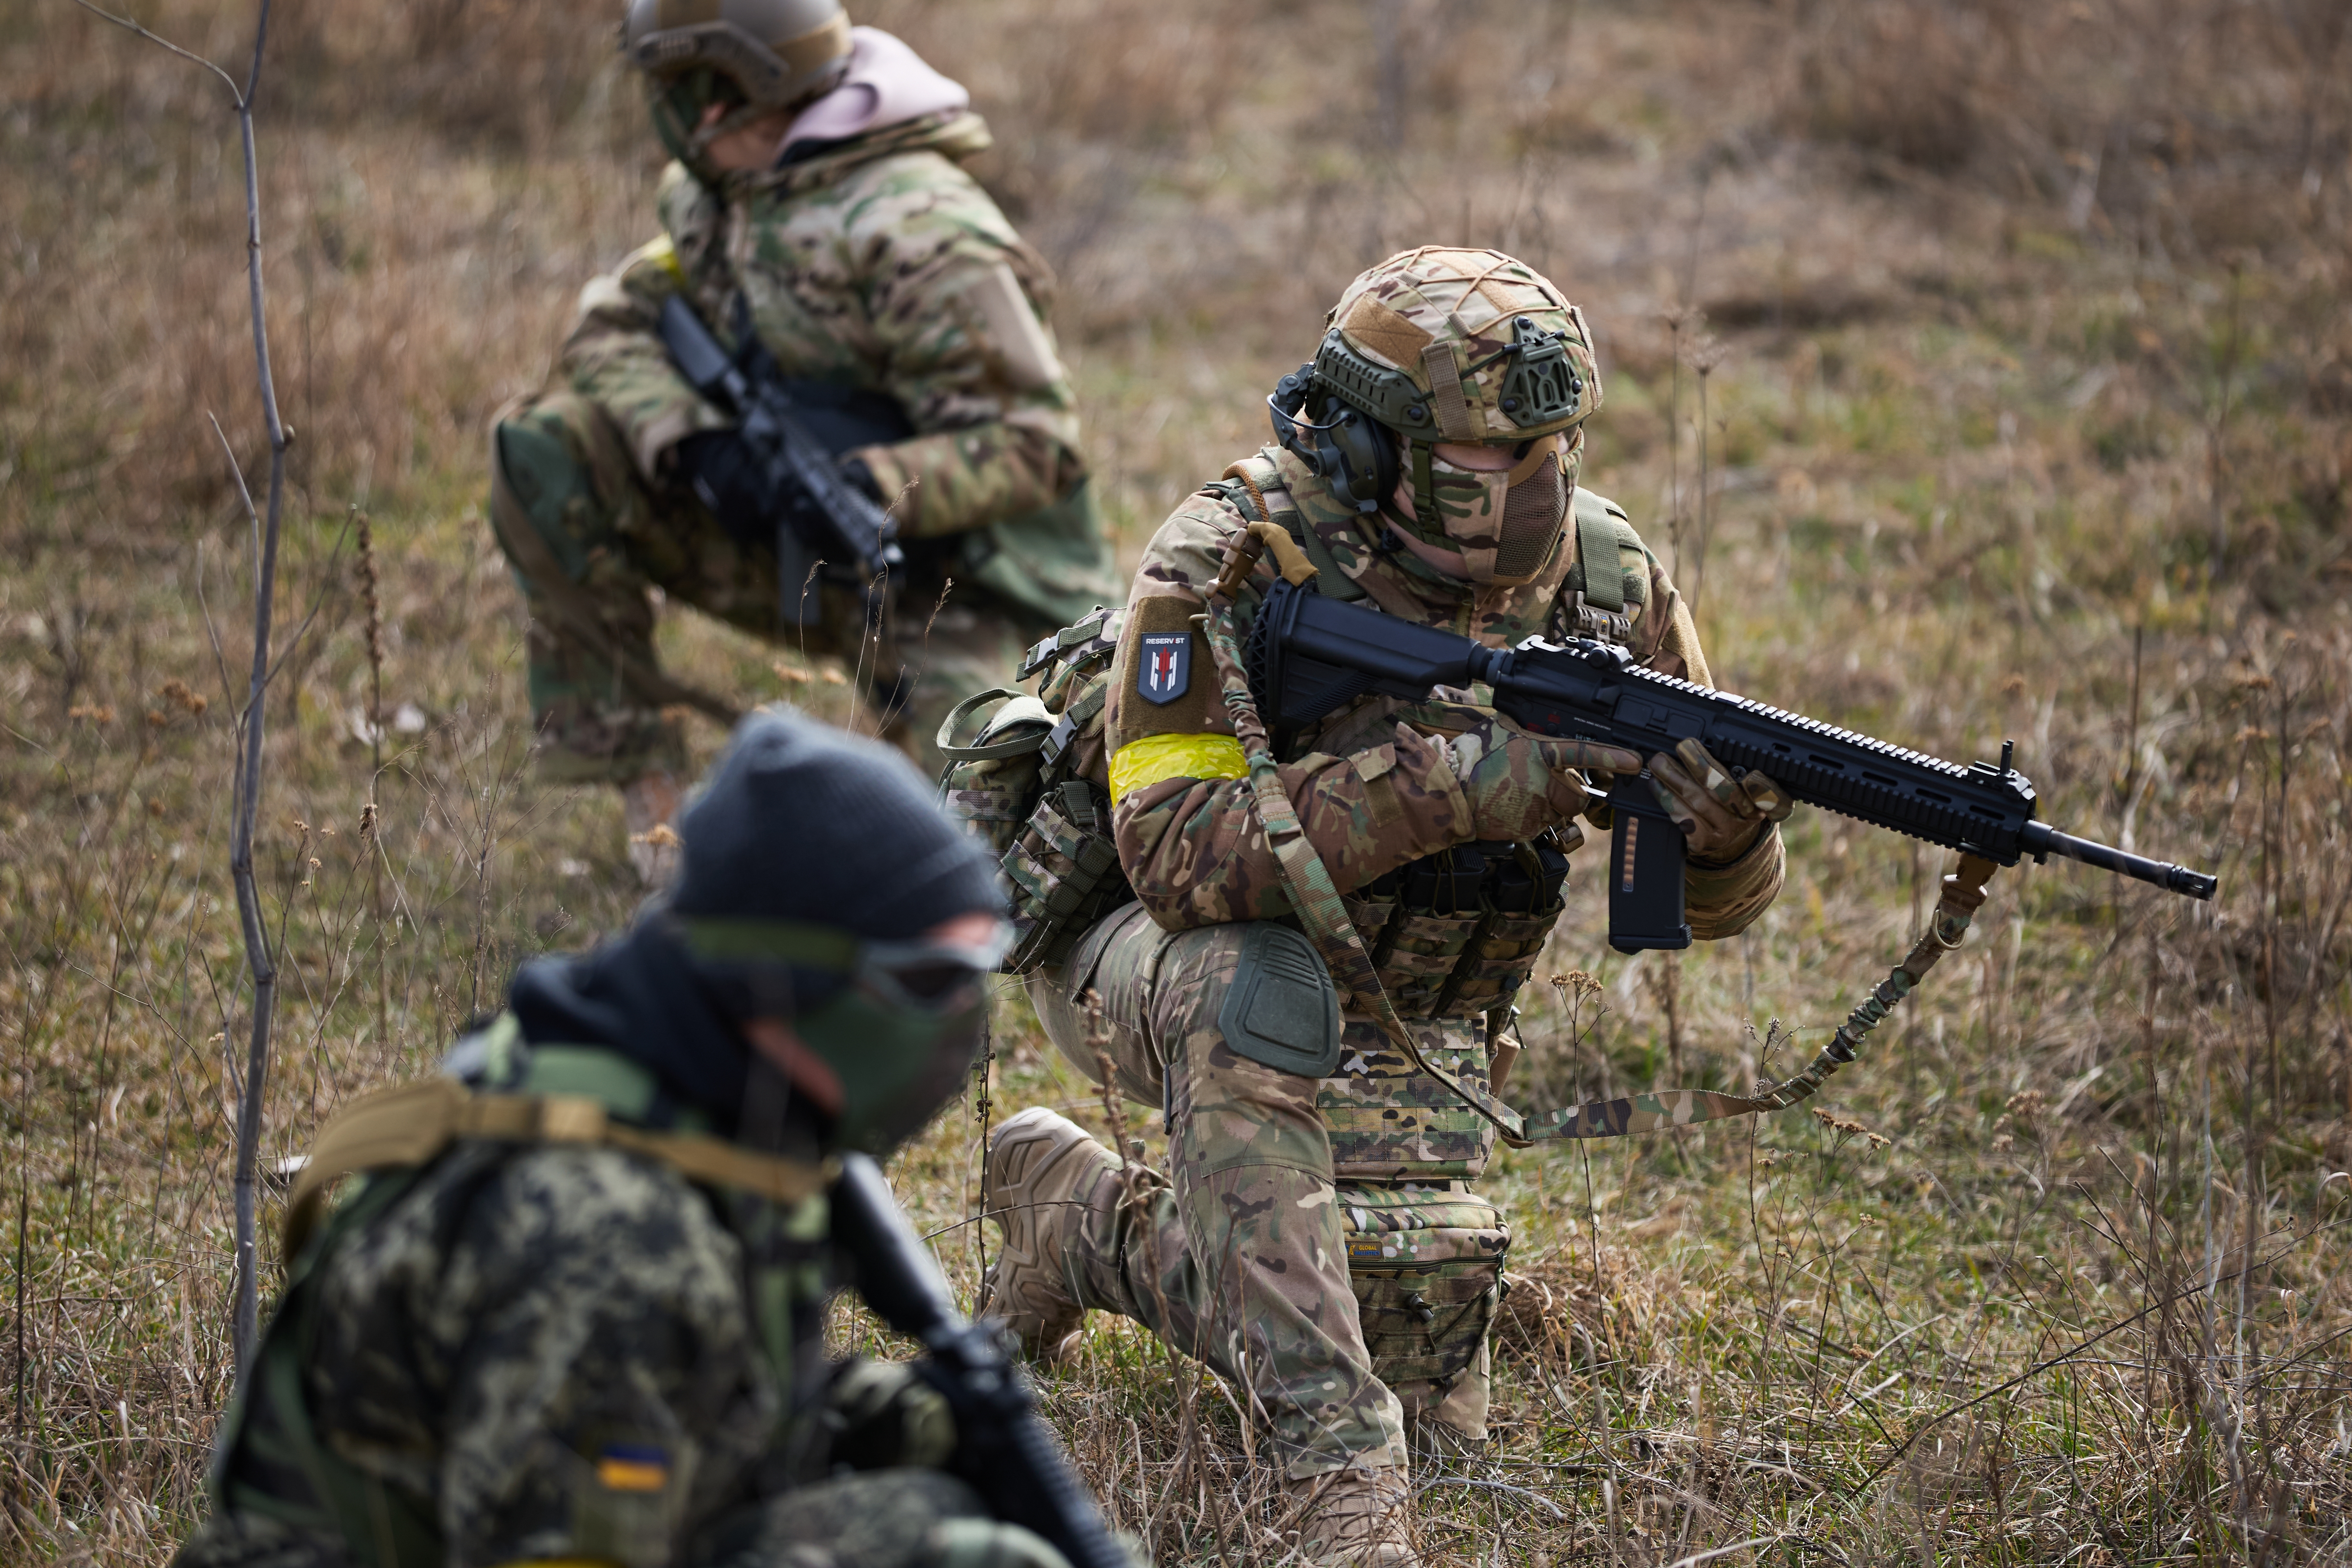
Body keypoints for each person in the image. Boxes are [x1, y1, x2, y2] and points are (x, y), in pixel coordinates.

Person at [973, 249, 1791, 1567]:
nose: (1528, 484)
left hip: (1409, 1005)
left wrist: (1721, 830)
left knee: (1414, 1363)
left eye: (1551, 444)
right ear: (1365, 445)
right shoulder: (1227, 556)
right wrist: (1463, 781)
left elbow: (1713, 911)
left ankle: (1077, 1219)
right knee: (1254, 992)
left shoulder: (1600, 573)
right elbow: (1175, 854)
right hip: (1151, 965)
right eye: (1483, 456)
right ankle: (1335, 1481)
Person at [177, 707, 1079, 1568]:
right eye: (928, 981)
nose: (962, 1023)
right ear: (776, 988)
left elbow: (680, 1405)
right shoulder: (608, 1231)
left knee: (934, 1510)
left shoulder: (672, 1093)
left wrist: (894, 1418)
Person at [489, 0, 1118, 883]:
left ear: (725, 93)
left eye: (678, 86)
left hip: (968, 588)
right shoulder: (731, 194)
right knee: (545, 444)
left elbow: (1037, 444)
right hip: (800, 552)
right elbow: (616, 322)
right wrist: (699, 445)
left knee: (994, 837)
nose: (668, 111)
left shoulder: (920, 232)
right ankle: (648, 792)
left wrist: (867, 486)